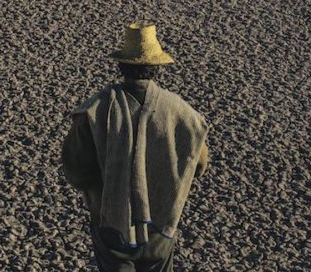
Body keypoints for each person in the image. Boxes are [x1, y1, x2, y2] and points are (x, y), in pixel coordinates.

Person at [61, 22, 209, 272]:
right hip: (162, 222)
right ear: (157, 68)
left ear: (121, 66)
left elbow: (77, 171)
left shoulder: (97, 109)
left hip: (111, 224)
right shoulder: (181, 112)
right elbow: (199, 164)